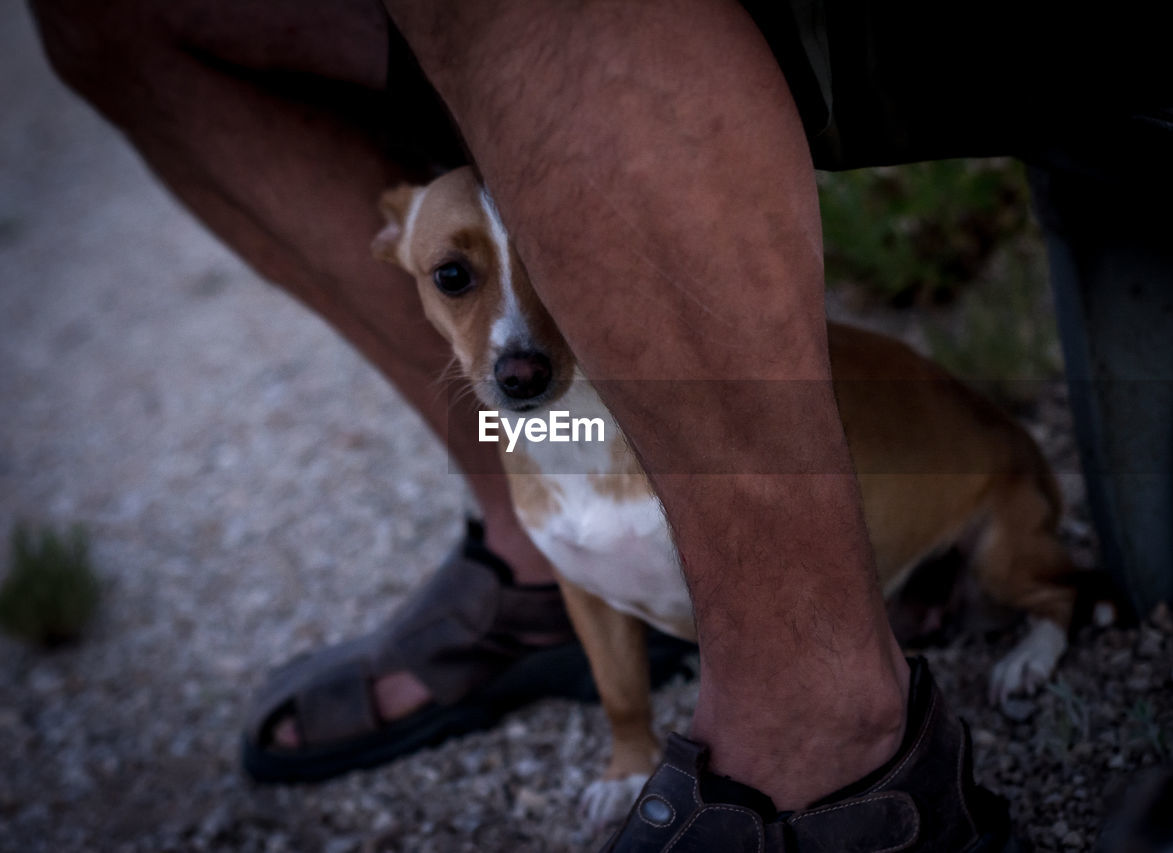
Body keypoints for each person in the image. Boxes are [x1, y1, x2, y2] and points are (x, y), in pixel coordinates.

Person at [29, 0, 1033, 848]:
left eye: (548, 273)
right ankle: (543, 548)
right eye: (456, 280)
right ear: (397, 241)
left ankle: (816, 707)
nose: (511, 340)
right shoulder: (430, 255)